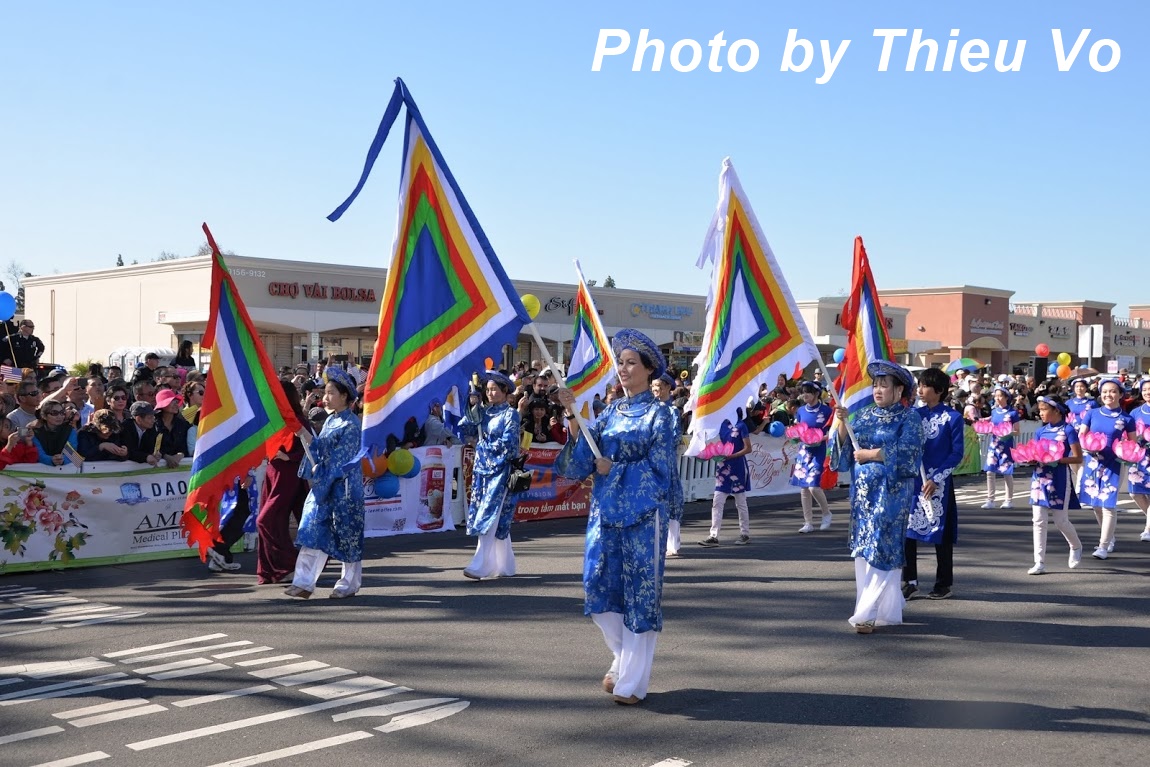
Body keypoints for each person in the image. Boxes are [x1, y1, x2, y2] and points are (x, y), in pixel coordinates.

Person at [556, 329, 678, 705]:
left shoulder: (662, 414)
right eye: (620, 363)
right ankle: (621, 657)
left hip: (643, 516)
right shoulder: (610, 412)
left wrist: (617, 469)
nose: (623, 369)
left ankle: (632, 681)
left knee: (640, 594)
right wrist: (573, 416)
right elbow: (582, 459)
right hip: (605, 512)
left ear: (649, 369)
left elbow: (662, 470)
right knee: (598, 587)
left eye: (631, 363)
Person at [828, 360, 924, 634]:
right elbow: (843, 457)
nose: (878, 390)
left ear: (899, 390)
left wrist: (872, 454)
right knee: (864, 549)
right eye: (876, 385)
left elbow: (910, 454)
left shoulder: (909, 418)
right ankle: (883, 607)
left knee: (883, 547)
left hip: (892, 496)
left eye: (884, 385)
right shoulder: (864, 416)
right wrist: (843, 423)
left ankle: (867, 613)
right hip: (863, 497)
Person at [285, 367, 366, 598]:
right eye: (326, 392)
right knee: (312, 529)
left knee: (348, 535)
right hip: (324, 488)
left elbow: (341, 460)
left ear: (345, 396)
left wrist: (319, 473)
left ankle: (348, 584)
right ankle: (303, 582)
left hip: (344, 489)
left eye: (331, 393)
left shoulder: (352, 425)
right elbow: (321, 448)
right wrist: (305, 434)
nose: (326, 397)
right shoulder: (330, 420)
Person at [904, 367, 964, 600]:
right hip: (914, 482)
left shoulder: (953, 418)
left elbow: (956, 454)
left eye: (925, 385)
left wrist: (937, 478)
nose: (920, 389)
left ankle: (944, 583)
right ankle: (909, 581)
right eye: (919, 385)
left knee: (942, 535)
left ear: (938, 390)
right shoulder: (913, 416)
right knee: (908, 533)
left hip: (940, 484)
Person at [457, 370, 523, 580]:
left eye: (494, 389)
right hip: (482, 471)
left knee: (489, 515)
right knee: (491, 516)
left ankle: (481, 564)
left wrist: (484, 448)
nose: (490, 393)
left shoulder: (510, 414)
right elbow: (465, 430)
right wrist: (472, 407)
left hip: (500, 471)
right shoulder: (484, 412)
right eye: (487, 390)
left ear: (504, 391)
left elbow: (510, 446)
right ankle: (505, 564)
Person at [256, 380, 312, 585]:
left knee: (266, 520)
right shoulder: (272, 420)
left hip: (288, 476)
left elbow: (311, 447)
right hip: (272, 473)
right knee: (273, 522)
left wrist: (290, 457)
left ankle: (291, 564)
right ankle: (272, 570)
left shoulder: (298, 420)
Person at [1078, 377, 1135, 560]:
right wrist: (1087, 447)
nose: (1108, 395)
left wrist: (1124, 452)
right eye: (1104, 392)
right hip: (1093, 462)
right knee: (1096, 504)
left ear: (1120, 394)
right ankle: (1109, 537)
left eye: (1112, 391)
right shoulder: (1092, 413)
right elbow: (1082, 434)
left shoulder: (1127, 418)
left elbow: (1132, 443)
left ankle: (1103, 546)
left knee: (1108, 504)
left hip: (1114, 464)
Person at [1026, 395, 1084, 574]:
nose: (1040, 413)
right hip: (1039, 477)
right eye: (1040, 410)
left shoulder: (1068, 430)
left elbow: (1078, 458)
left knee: (1061, 521)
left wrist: (1057, 460)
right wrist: (1031, 459)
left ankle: (1075, 546)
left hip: (1059, 478)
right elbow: (1036, 453)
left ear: (1056, 410)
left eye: (1044, 410)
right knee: (1038, 521)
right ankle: (1039, 562)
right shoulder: (1040, 431)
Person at [698, 412, 753, 547]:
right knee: (717, 501)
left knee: (740, 501)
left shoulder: (741, 426)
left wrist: (732, 456)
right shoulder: (721, 425)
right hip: (723, 467)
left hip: (738, 467)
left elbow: (748, 448)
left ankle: (745, 533)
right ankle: (713, 536)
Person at [791, 381, 834, 534]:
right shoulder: (801, 410)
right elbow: (798, 428)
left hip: (819, 450)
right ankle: (808, 522)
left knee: (813, 486)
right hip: (804, 451)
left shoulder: (827, 410)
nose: (805, 395)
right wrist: (795, 436)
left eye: (808, 392)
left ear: (816, 394)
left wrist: (821, 438)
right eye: (803, 392)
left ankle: (826, 513)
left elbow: (833, 431)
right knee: (803, 487)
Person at [651, 373, 685, 557]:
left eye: (658, 386)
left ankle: (673, 543)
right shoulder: (650, 409)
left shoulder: (672, 411)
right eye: (653, 387)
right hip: (650, 462)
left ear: (666, 388)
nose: (655, 390)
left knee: (670, 499)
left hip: (666, 460)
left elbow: (676, 437)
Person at [981, 386, 1020, 509]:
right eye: (996, 396)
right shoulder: (994, 411)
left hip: (1006, 445)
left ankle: (1009, 499)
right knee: (990, 471)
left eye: (1000, 396)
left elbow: (1017, 431)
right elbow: (991, 426)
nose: (997, 398)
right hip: (994, 444)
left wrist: (1007, 433)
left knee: (1006, 472)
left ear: (1006, 397)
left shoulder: (1013, 413)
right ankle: (990, 499)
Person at [1126, 377, 1150, 543]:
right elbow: (1129, 434)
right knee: (1134, 492)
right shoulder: (1135, 412)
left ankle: (1148, 528)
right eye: (1145, 390)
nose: (1148, 392)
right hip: (1138, 457)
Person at [32, 401, 79, 466]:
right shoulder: (36, 433)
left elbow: (73, 455)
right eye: (54, 413)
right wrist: (51, 460)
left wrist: (62, 460)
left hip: (67, 470)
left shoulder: (70, 431)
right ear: (44, 416)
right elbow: (38, 454)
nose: (59, 416)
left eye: (62, 413)